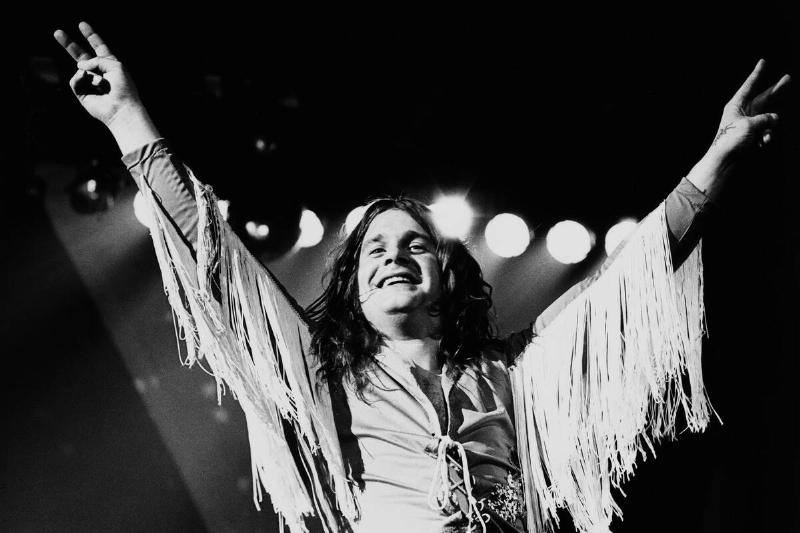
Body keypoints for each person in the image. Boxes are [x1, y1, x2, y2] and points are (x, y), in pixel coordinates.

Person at [54, 22, 790, 533]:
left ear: (449, 275)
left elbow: (631, 279)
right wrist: (127, 119)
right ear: (353, 287)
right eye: (373, 250)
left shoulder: (515, 367)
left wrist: (715, 162)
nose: (392, 256)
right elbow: (215, 252)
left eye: (415, 245)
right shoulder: (320, 363)